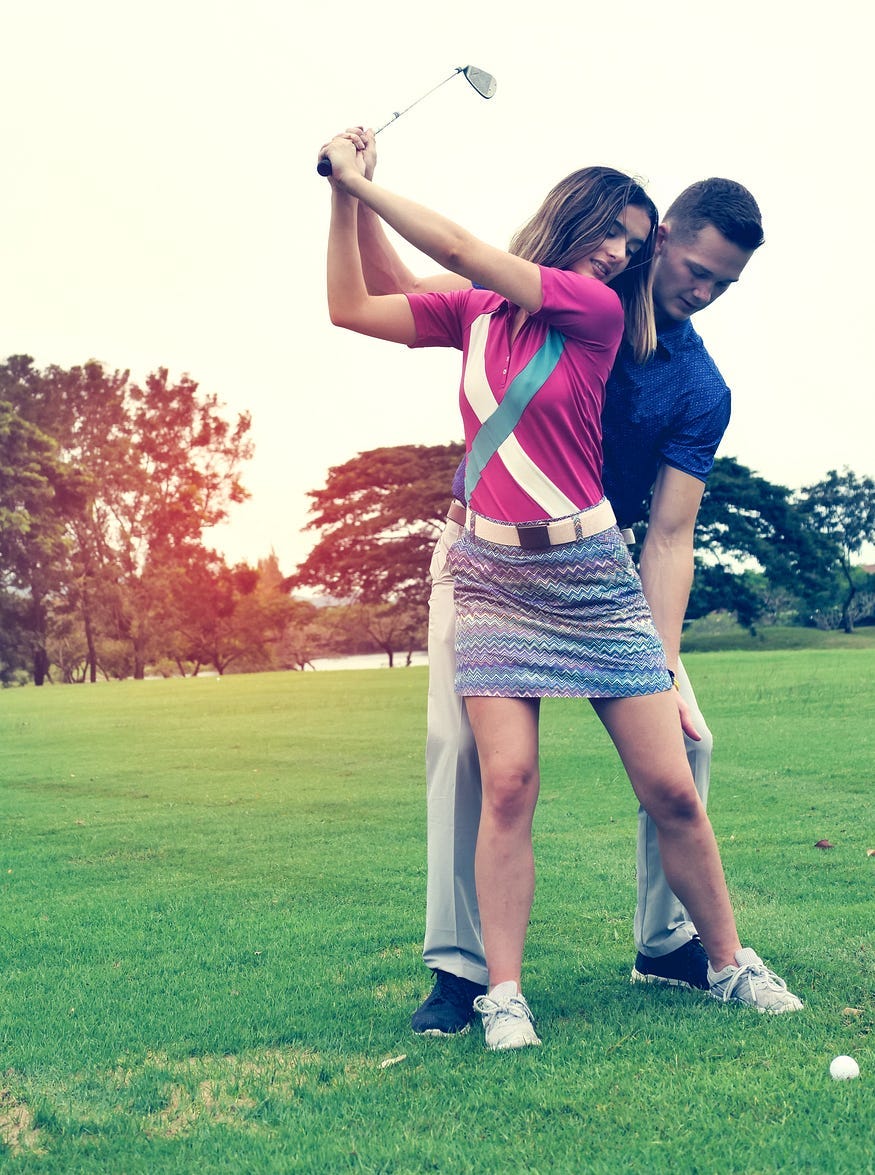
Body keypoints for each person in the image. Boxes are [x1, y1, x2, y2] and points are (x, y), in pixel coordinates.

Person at [318, 129, 803, 1049]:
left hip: (596, 568)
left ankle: (680, 947)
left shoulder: (664, 359)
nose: (700, 291)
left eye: (721, 284)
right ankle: (468, 977)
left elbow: (670, 533)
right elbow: (397, 289)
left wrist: (664, 664)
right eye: (691, 266)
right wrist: (349, 192)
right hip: (485, 560)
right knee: (478, 766)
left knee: (680, 761)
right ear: (666, 238)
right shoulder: (508, 302)